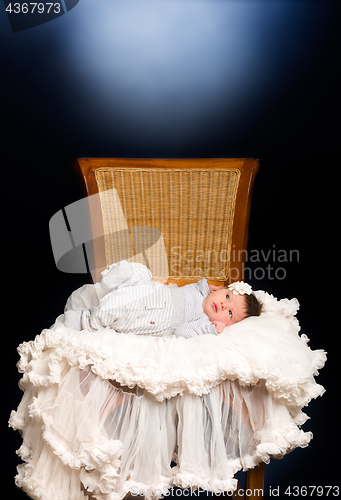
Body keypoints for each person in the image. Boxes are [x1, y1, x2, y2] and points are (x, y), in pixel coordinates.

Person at [64, 260, 262, 338]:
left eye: (229, 313)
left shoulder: (203, 321)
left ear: (225, 324)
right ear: (220, 289)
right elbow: (196, 287)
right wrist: (206, 287)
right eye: (227, 296)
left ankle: (87, 320)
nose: (223, 304)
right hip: (151, 291)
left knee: (119, 311)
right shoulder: (202, 292)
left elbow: (182, 332)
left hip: (152, 317)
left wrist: (210, 329)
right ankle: (111, 280)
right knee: (142, 272)